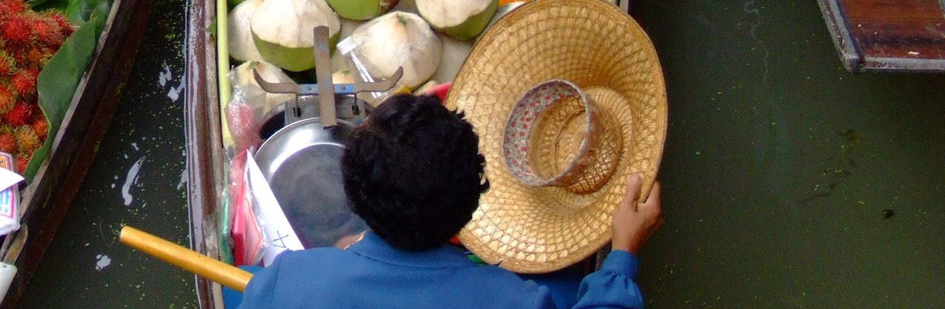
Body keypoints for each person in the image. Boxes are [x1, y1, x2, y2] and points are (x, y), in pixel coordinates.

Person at [237, 93, 662, 309]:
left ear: (354, 198)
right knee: (567, 285)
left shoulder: (290, 280)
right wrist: (621, 257)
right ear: (470, 206)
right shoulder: (514, 300)